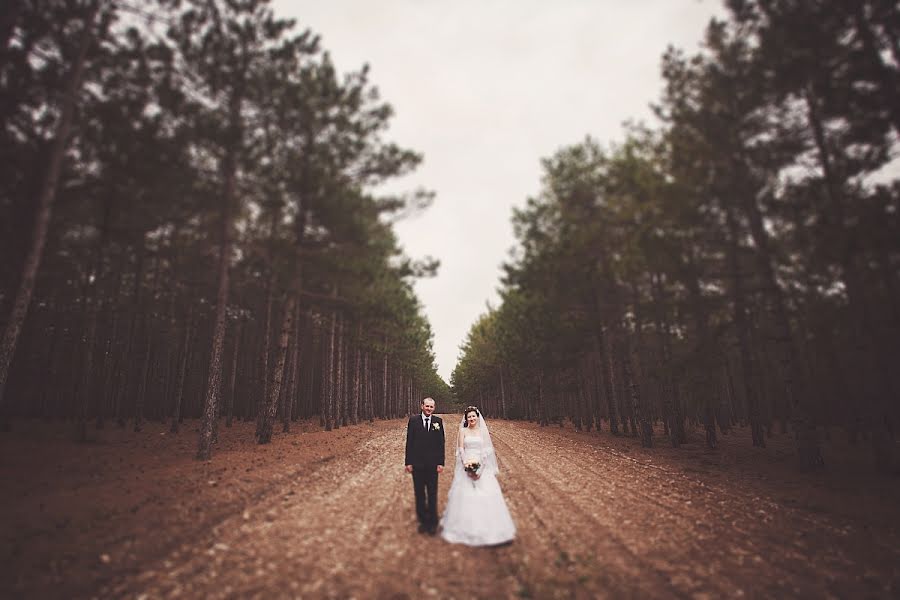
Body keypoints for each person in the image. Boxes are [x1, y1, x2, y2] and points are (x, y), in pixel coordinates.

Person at [440, 406, 516, 546]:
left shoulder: (482, 432)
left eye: (474, 416)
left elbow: (486, 451)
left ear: (477, 417)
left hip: (482, 466)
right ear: (466, 419)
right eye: (469, 417)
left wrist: (479, 469)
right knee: (466, 495)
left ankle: (491, 530)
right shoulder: (462, 431)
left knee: (486, 495)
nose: (472, 419)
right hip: (467, 464)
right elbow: (461, 449)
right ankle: (467, 529)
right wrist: (467, 466)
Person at [404, 397, 445, 535]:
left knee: (432, 493)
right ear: (422, 406)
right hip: (417, 465)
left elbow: (441, 443)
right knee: (420, 494)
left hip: (433, 465)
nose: (429, 409)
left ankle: (433, 522)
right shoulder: (413, 421)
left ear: (434, 408)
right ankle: (423, 521)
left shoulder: (437, 422)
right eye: (427, 406)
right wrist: (408, 462)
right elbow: (409, 442)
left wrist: (440, 462)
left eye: (431, 407)